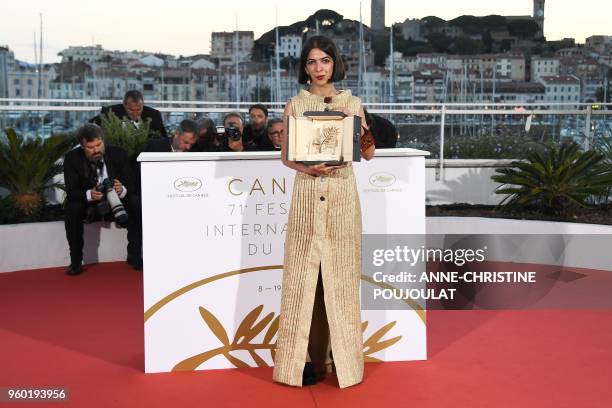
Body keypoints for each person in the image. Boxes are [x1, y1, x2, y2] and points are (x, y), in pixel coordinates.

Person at [272, 35, 375, 389]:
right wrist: (308, 169)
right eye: (312, 62)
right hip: (306, 196)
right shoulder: (294, 105)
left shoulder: (353, 102)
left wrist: (357, 124)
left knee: (342, 283)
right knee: (301, 284)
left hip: (343, 198)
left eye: (325, 61)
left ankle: (344, 364)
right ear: (304, 67)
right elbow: (286, 157)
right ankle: (296, 363)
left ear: (335, 64)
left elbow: (370, 152)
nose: (319, 68)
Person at [63, 123, 143, 275]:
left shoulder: (119, 153)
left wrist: (122, 189)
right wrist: (89, 194)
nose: (96, 150)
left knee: (135, 202)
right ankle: (75, 261)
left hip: (117, 198)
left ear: (103, 140)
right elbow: (72, 191)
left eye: (99, 144)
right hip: (90, 202)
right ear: (82, 146)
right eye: (91, 147)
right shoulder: (72, 158)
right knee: (73, 208)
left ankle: (134, 256)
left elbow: (132, 184)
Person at [90, 90, 167, 138]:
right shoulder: (110, 112)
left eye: (139, 109)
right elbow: (90, 126)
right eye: (131, 110)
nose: (135, 113)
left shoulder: (154, 115)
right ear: (124, 105)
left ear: (143, 104)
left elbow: (162, 138)